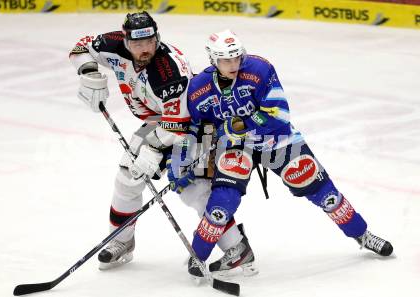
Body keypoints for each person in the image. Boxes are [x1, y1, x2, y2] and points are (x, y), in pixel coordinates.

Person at [168, 29, 394, 278]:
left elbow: (279, 115)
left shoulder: (259, 69)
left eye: (236, 58)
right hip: (236, 147)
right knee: (223, 202)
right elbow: (199, 129)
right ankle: (198, 254)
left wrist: (237, 124)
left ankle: (362, 234)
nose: (234, 65)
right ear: (213, 59)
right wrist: (187, 159)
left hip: (276, 140)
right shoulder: (199, 88)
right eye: (226, 60)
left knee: (322, 191)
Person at [69, 12, 256, 273]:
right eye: (138, 44)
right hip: (159, 122)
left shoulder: (168, 71)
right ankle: (121, 241)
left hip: (194, 125)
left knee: (193, 190)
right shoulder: (113, 44)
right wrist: (88, 72)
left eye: (150, 42)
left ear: (157, 37)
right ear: (125, 41)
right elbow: (81, 47)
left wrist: (153, 150)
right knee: (127, 177)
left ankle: (237, 247)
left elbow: (178, 121)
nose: (145, 49)